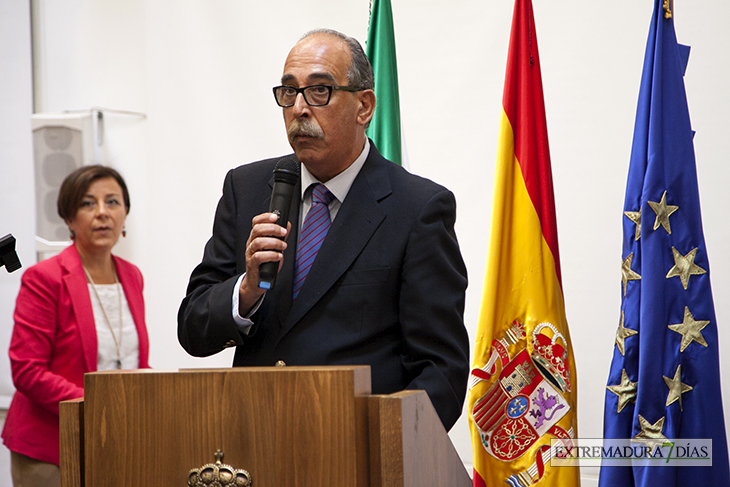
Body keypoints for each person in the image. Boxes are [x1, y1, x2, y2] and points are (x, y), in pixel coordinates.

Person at [178, 28, 469, 430]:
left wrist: (388, 449)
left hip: (357, 453)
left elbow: (441, 369)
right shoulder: (246, 189)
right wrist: (244, 291)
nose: (299, 108)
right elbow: (193, 329)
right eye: (289, 92)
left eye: (319, 92)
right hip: (253, 445)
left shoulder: (416, 208)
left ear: (364, 106)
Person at [2, 165, 150, 487]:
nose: (102, 213)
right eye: (87, 203)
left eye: (113, 202)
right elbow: (27, 370)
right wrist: (97, 406)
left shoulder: (132, 276)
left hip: (114, 441)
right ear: (69, 218)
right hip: (49, 447)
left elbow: (135, 362)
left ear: (125, 213)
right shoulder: (45, 278)